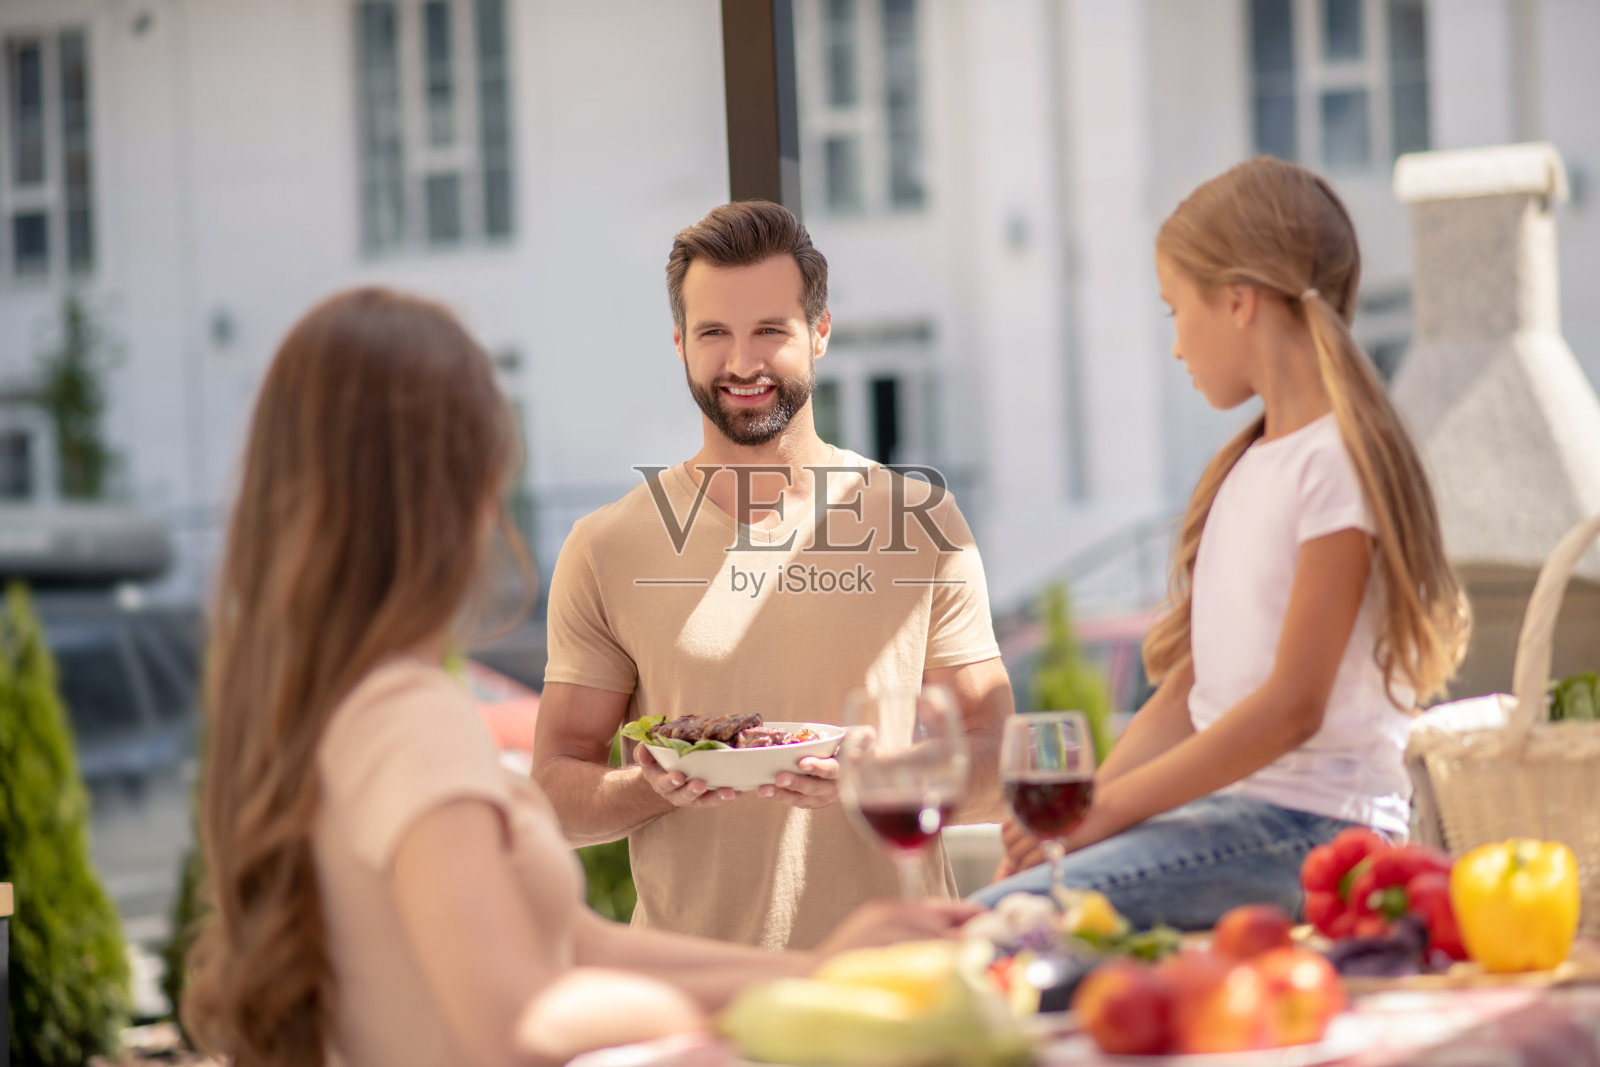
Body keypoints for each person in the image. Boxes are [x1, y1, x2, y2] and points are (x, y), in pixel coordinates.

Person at [182, 288, 978, 1067]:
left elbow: (582, 943)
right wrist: (782, 1003)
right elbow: (518, 1023)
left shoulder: (345, 707)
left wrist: (824, 974)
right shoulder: (409, 717)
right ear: (451, 485)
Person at [975, 158, 1470, 929]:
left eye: (1174, 310)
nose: (1175, 346)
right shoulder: (1250, 463)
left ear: (1238, 301)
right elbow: (1190, 692)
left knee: (1000, 926)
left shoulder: (1336, 462)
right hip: (1241, 824)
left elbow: (1291, 709)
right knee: (995, 916)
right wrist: (1070, 820)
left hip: (1320, 834)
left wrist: (1104, 811)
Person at [533, 200, 1013, 950]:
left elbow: (996, 760)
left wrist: (882, 776)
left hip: (898, 983)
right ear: (680, 343)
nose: (742, 362)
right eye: (714, 333)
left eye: (770, 331)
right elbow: (556, 790)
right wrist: (648, 785)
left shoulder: (920, 522)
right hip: (703, 992)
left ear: (820, 333)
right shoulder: (606, 546)